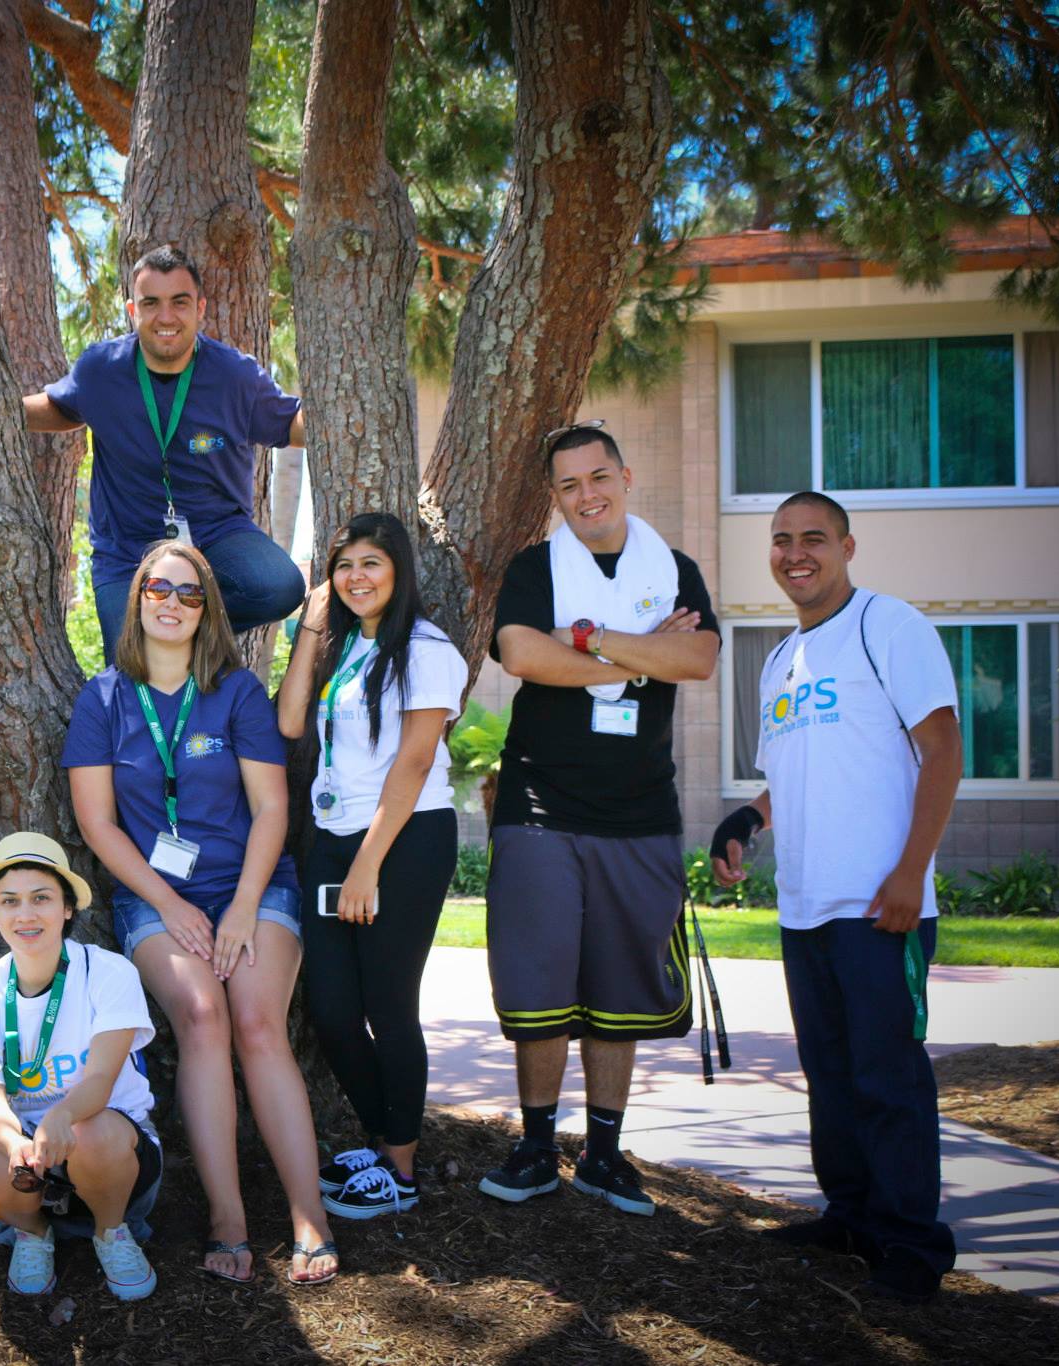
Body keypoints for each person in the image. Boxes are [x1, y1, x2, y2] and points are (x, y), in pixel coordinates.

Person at [63, 540, 338, 1286]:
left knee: (256, 1021)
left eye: (190, 594)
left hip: (255, 888)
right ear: (138, 598)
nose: (174, 604)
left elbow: (272, 806)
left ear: (208, 610)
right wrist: (171, 903)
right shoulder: (104, 698)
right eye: (161, 588)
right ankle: (229, 1217)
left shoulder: (238, 692)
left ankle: (310, 1215)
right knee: (202, 1015)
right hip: (158, 899)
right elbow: (99, 825)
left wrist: (245, 908)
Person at [711, 490, 961, 1304]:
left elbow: (943, 749)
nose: (795, 554)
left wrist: (908, 873)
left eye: (812, 538)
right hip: (806, 906)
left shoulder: (888, 625)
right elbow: (786, 776)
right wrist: (747, 819)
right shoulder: (782, 659)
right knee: (830, 1072)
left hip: (880, 907)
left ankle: (912, 1245)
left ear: (848, 546)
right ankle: (850, 1215)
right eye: (781, 541)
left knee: (889, 1077)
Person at [477, 421, 719, 1219]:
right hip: (539, 805)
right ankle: (537, 1146)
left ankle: (606, 1153)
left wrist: (582, 638)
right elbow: (519, 655)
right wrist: (639, 652)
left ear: (626, 475)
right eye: (569, 485)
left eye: (599, 477)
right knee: (539, 984)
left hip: (640, 811)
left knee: (619, 991)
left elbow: (699, 659)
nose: (587, 495)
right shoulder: (535, 567)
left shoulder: (673, 568)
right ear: (556, 496)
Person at [277, 512, 466, 1220]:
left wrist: (367, 869)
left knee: (389, 1008)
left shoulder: (426, 648)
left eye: (372, 563)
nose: (357, 576)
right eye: (344, 565)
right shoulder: (345, 648)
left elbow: (415, 764)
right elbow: (291, 723)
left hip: (404, 841)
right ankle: (383, 1141)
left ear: (399, 571)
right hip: (330, 840)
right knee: (329, 1009)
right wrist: (309, 631)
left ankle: (403, 1168)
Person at [23, 243, 307, 661]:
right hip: (127, 550)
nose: (166, 317)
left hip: (216, 537)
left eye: (180, 302)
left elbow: (288, 424)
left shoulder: (235, 376)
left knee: (279, 587)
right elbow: (63, 409)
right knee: (132, 663)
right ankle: (171, 636)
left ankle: (185, 625)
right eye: (151, 303)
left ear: (201, 308)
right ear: (132, 310)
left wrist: (343, 414)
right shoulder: (102, 368)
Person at [0, 832, 162, 1302]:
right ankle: (31, 1234)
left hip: (108, 1148)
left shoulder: (109, 973)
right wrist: (13, 1144)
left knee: (92, 1133)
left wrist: (60, 1117)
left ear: (67, 908)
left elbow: (101, 1079)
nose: (25, 914)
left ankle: (112, 1232)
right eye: (9, 901)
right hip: (32, 1164)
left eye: (41, 898)